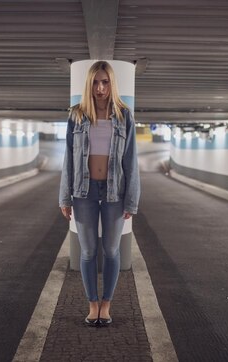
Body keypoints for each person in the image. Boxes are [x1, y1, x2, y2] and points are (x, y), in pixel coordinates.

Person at [59, 61, 140, 327]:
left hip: (115, 191)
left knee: (112, 250)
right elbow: (68, 159)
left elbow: (130, 160)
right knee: (88, 251)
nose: (100, 88)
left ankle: (107, 304)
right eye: (95, 82)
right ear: (89, 84)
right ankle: (92, 304)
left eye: (105, 82)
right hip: (84, 191)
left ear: (112, 83)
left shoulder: (124, 115)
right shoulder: (77, 115)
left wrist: (132, 199)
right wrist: (64, 196)